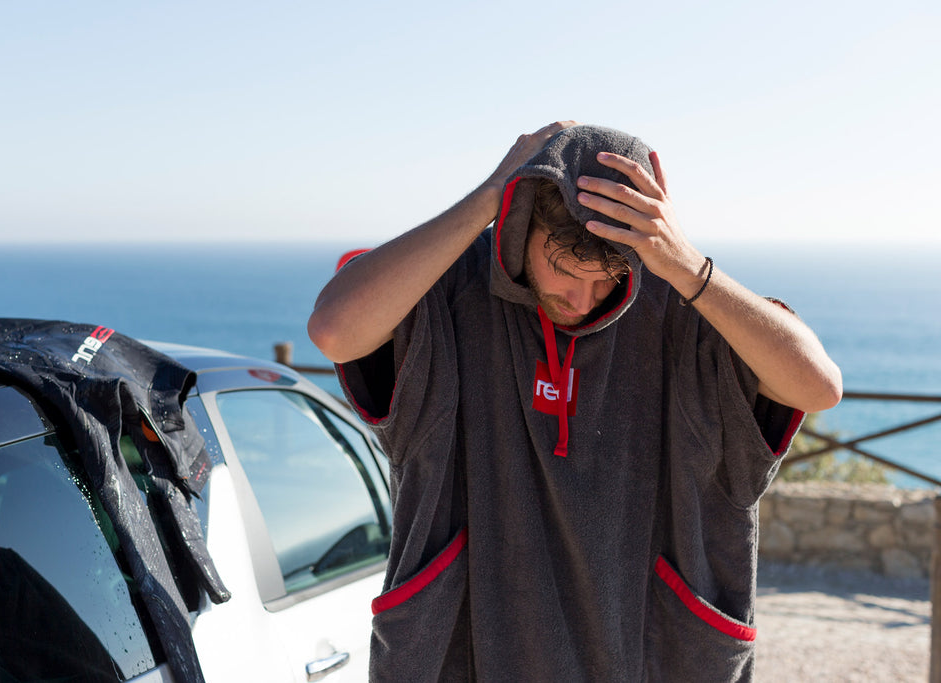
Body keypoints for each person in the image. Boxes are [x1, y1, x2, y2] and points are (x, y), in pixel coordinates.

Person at [308, 122, 842, 682]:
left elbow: (818, 387)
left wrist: (686, 265)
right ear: (519, 227)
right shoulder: (448, 289)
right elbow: (334, 329)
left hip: (651, 655)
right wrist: (490, 194)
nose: (582, 299)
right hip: (465, 653)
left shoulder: (686, 310)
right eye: (564, 270)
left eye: (607, 278)